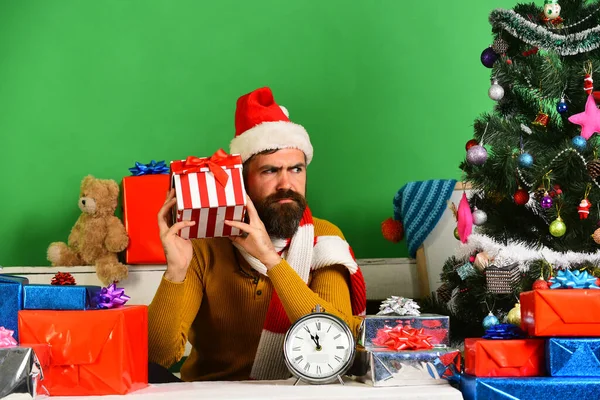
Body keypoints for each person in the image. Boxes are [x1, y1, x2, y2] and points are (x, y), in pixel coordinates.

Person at [148, 87, 366, 382]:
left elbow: (337, 342)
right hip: (214, 394)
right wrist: (176, 271)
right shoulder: (205, 244)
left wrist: (270, 260)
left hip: (299, 393)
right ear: (243, 181)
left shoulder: (324, 238)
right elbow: (157, 358)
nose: (285, 184)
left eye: (296, 169)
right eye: (269, 171)